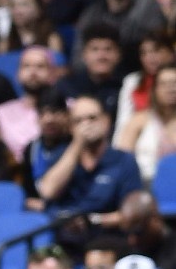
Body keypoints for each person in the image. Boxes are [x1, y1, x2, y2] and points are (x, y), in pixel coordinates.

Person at [33, 95, 141, 225]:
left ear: (106, 121)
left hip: (106, 231)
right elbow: (48, 191)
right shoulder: (60, 156)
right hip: (62, 230)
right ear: (71, 127)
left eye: (92, 118)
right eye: (78, 121)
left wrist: (93, 221)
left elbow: (132, 212)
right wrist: (77, 144)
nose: (86, 125)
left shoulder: (124, 160)